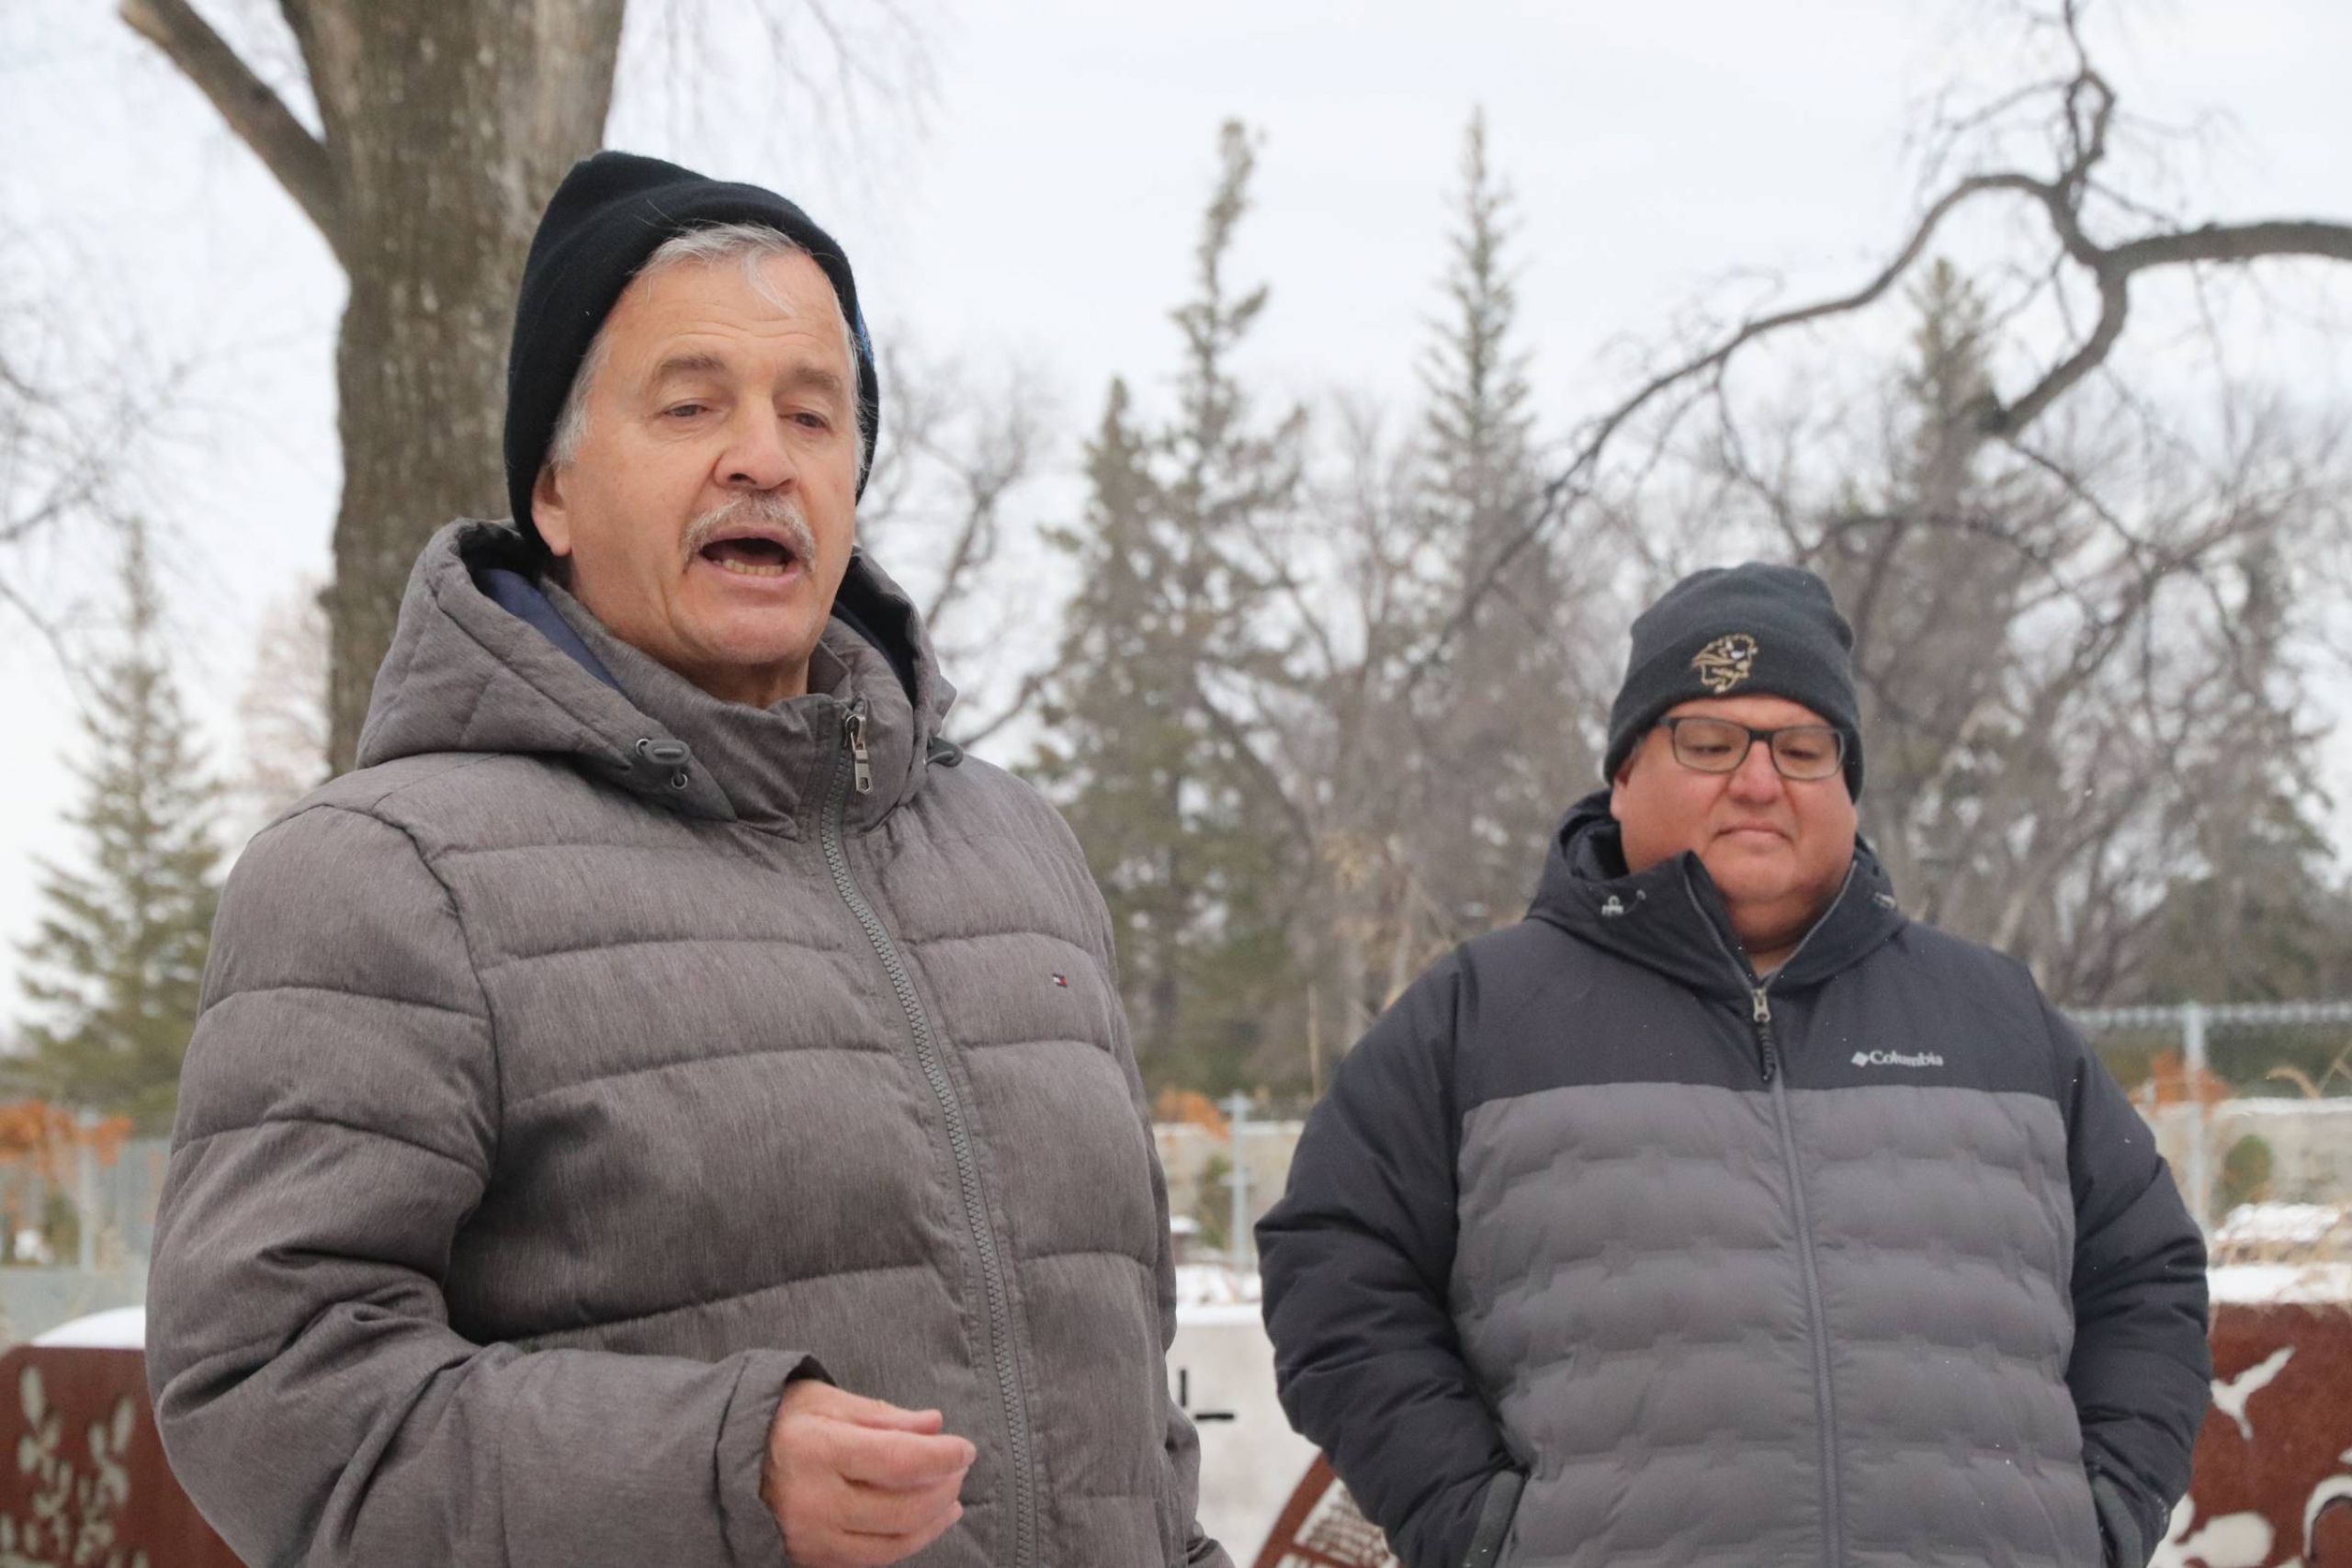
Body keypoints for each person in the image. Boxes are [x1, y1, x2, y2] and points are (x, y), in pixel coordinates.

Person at [148, 151, 1228, 1568]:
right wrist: (720, 1473)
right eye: (690, 403)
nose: (763, 457)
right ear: (555, 486)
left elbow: (1116, 1384)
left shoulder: (1016, 851)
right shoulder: (384, 870)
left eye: (812, 412)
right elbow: (272, 1394)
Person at [1257, 562, 2209, 1568]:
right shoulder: (1479, 1017)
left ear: (1845, 785)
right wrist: (1481, 1530)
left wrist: (2096, 1521)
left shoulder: (1999, 1019)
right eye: (1707, 742)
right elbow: (1335, 1271)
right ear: (1623, 771)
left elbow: (2146, 1277)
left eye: (1801, 748)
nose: (1758, 781)